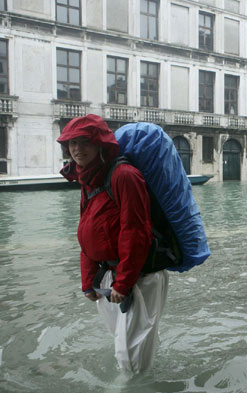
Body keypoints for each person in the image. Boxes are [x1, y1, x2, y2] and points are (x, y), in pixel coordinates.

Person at [57, 115, 169, 373]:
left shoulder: (124, 176)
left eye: (85, 142)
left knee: (128, 353)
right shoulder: (87, 180)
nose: (77, 149)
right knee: (127, 344)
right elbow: (86, 233)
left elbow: (136, 232)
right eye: (72, 143)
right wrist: (88, 281)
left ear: (100, 144)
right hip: (107, 276)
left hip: (139, 277)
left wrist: (125, 282)